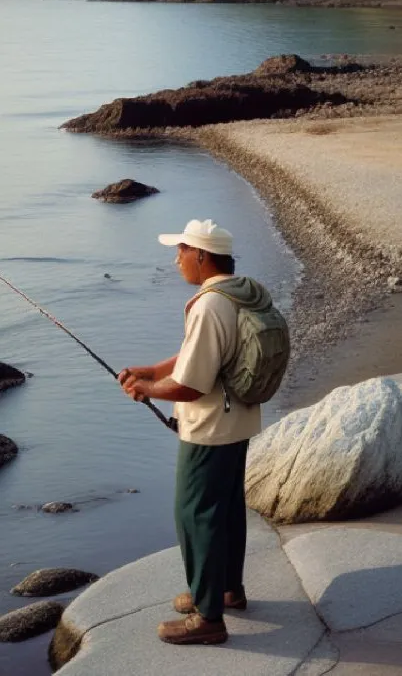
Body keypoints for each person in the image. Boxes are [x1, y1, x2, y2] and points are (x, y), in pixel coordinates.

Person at [118, 219, 262, 645]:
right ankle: (227, 590)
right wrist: (154, 370)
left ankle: (207, 617)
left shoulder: (207, 305)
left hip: (210, 428)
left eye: (180, 250)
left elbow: (192, 385)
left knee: (194, 515)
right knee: (228, 509)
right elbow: (201, 351)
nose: (176, 258)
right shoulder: (241, 292)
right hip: (242, 419)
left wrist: (146, 388)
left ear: (201, 254)